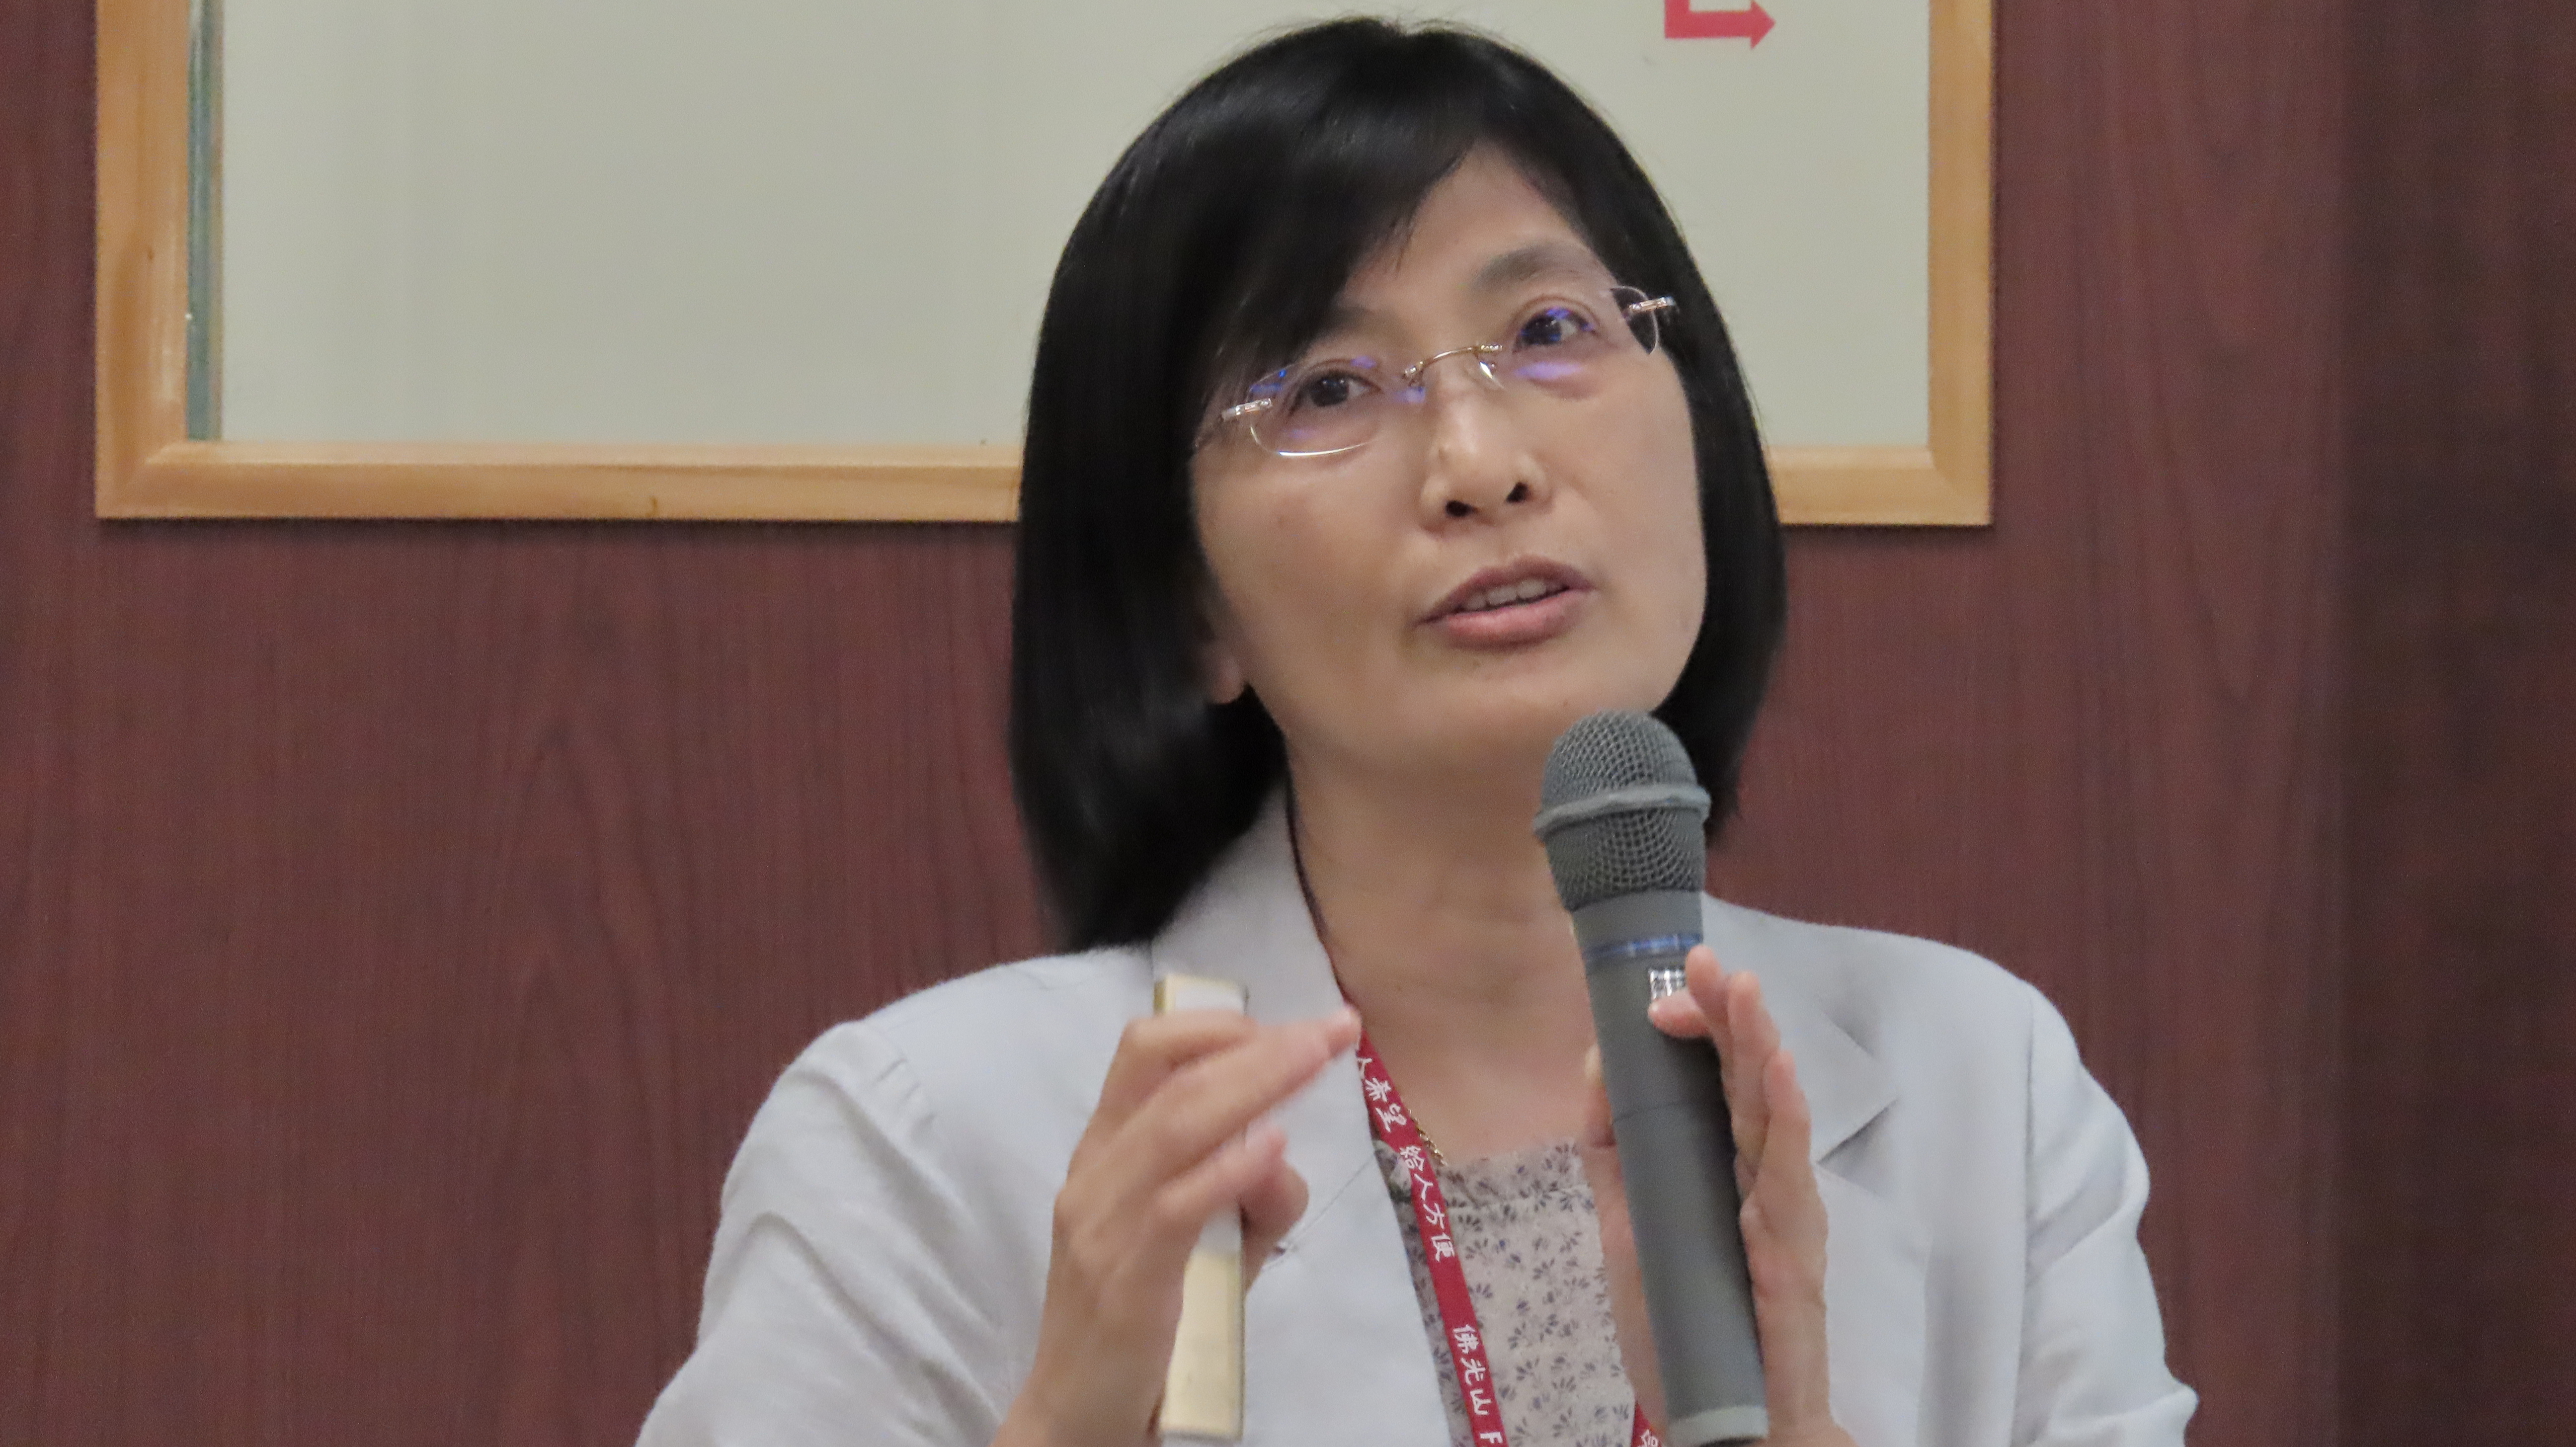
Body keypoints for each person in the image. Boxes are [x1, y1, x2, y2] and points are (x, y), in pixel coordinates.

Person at [638, 19, 2194, 1447]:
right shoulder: (922, 1140)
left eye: (1550, 327)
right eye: (1326, 389)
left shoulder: (1981, 1084)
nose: (1481, 461)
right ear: (1189, 605)